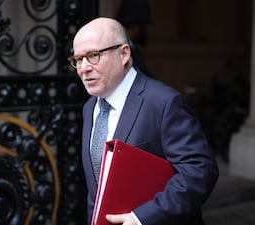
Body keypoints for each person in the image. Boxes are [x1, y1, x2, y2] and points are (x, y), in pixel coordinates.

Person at [67, 17, 219, 225]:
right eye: (77, 59)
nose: (83, 68)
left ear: (124, 54)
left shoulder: (165, 103)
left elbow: (199, 170)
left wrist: (141, 218)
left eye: (93, 56)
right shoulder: (90, 107)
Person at [116, 0, 153, 77]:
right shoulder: (128, 57)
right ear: (134, 26)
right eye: (144, 26)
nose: (147, 31)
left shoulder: (131, 52)